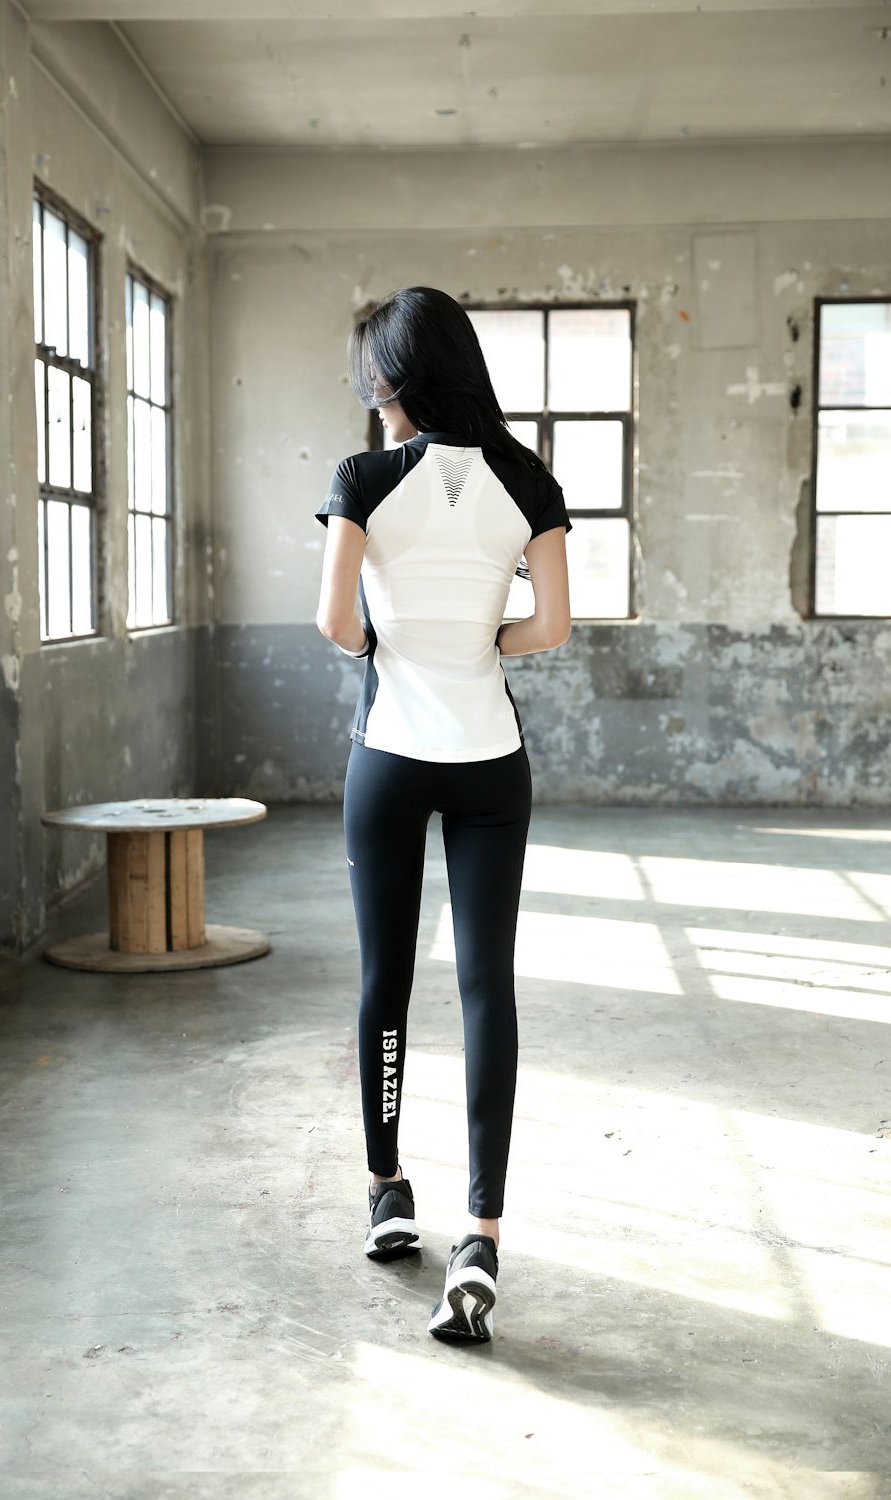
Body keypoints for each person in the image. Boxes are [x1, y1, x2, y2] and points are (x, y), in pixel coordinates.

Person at [314, 286, 571, 1343]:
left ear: (393, 382)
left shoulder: (365, 479)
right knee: (484, 989)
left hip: (390, 759)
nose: (370, 402)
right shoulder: (529, 479)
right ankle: (481, 1235)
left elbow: (335, 622)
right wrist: (478, 647)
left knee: (384, 977)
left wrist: (392, 651)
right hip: (488, 766)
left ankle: (386, 1193)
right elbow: (549, 628)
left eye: (371, 383)